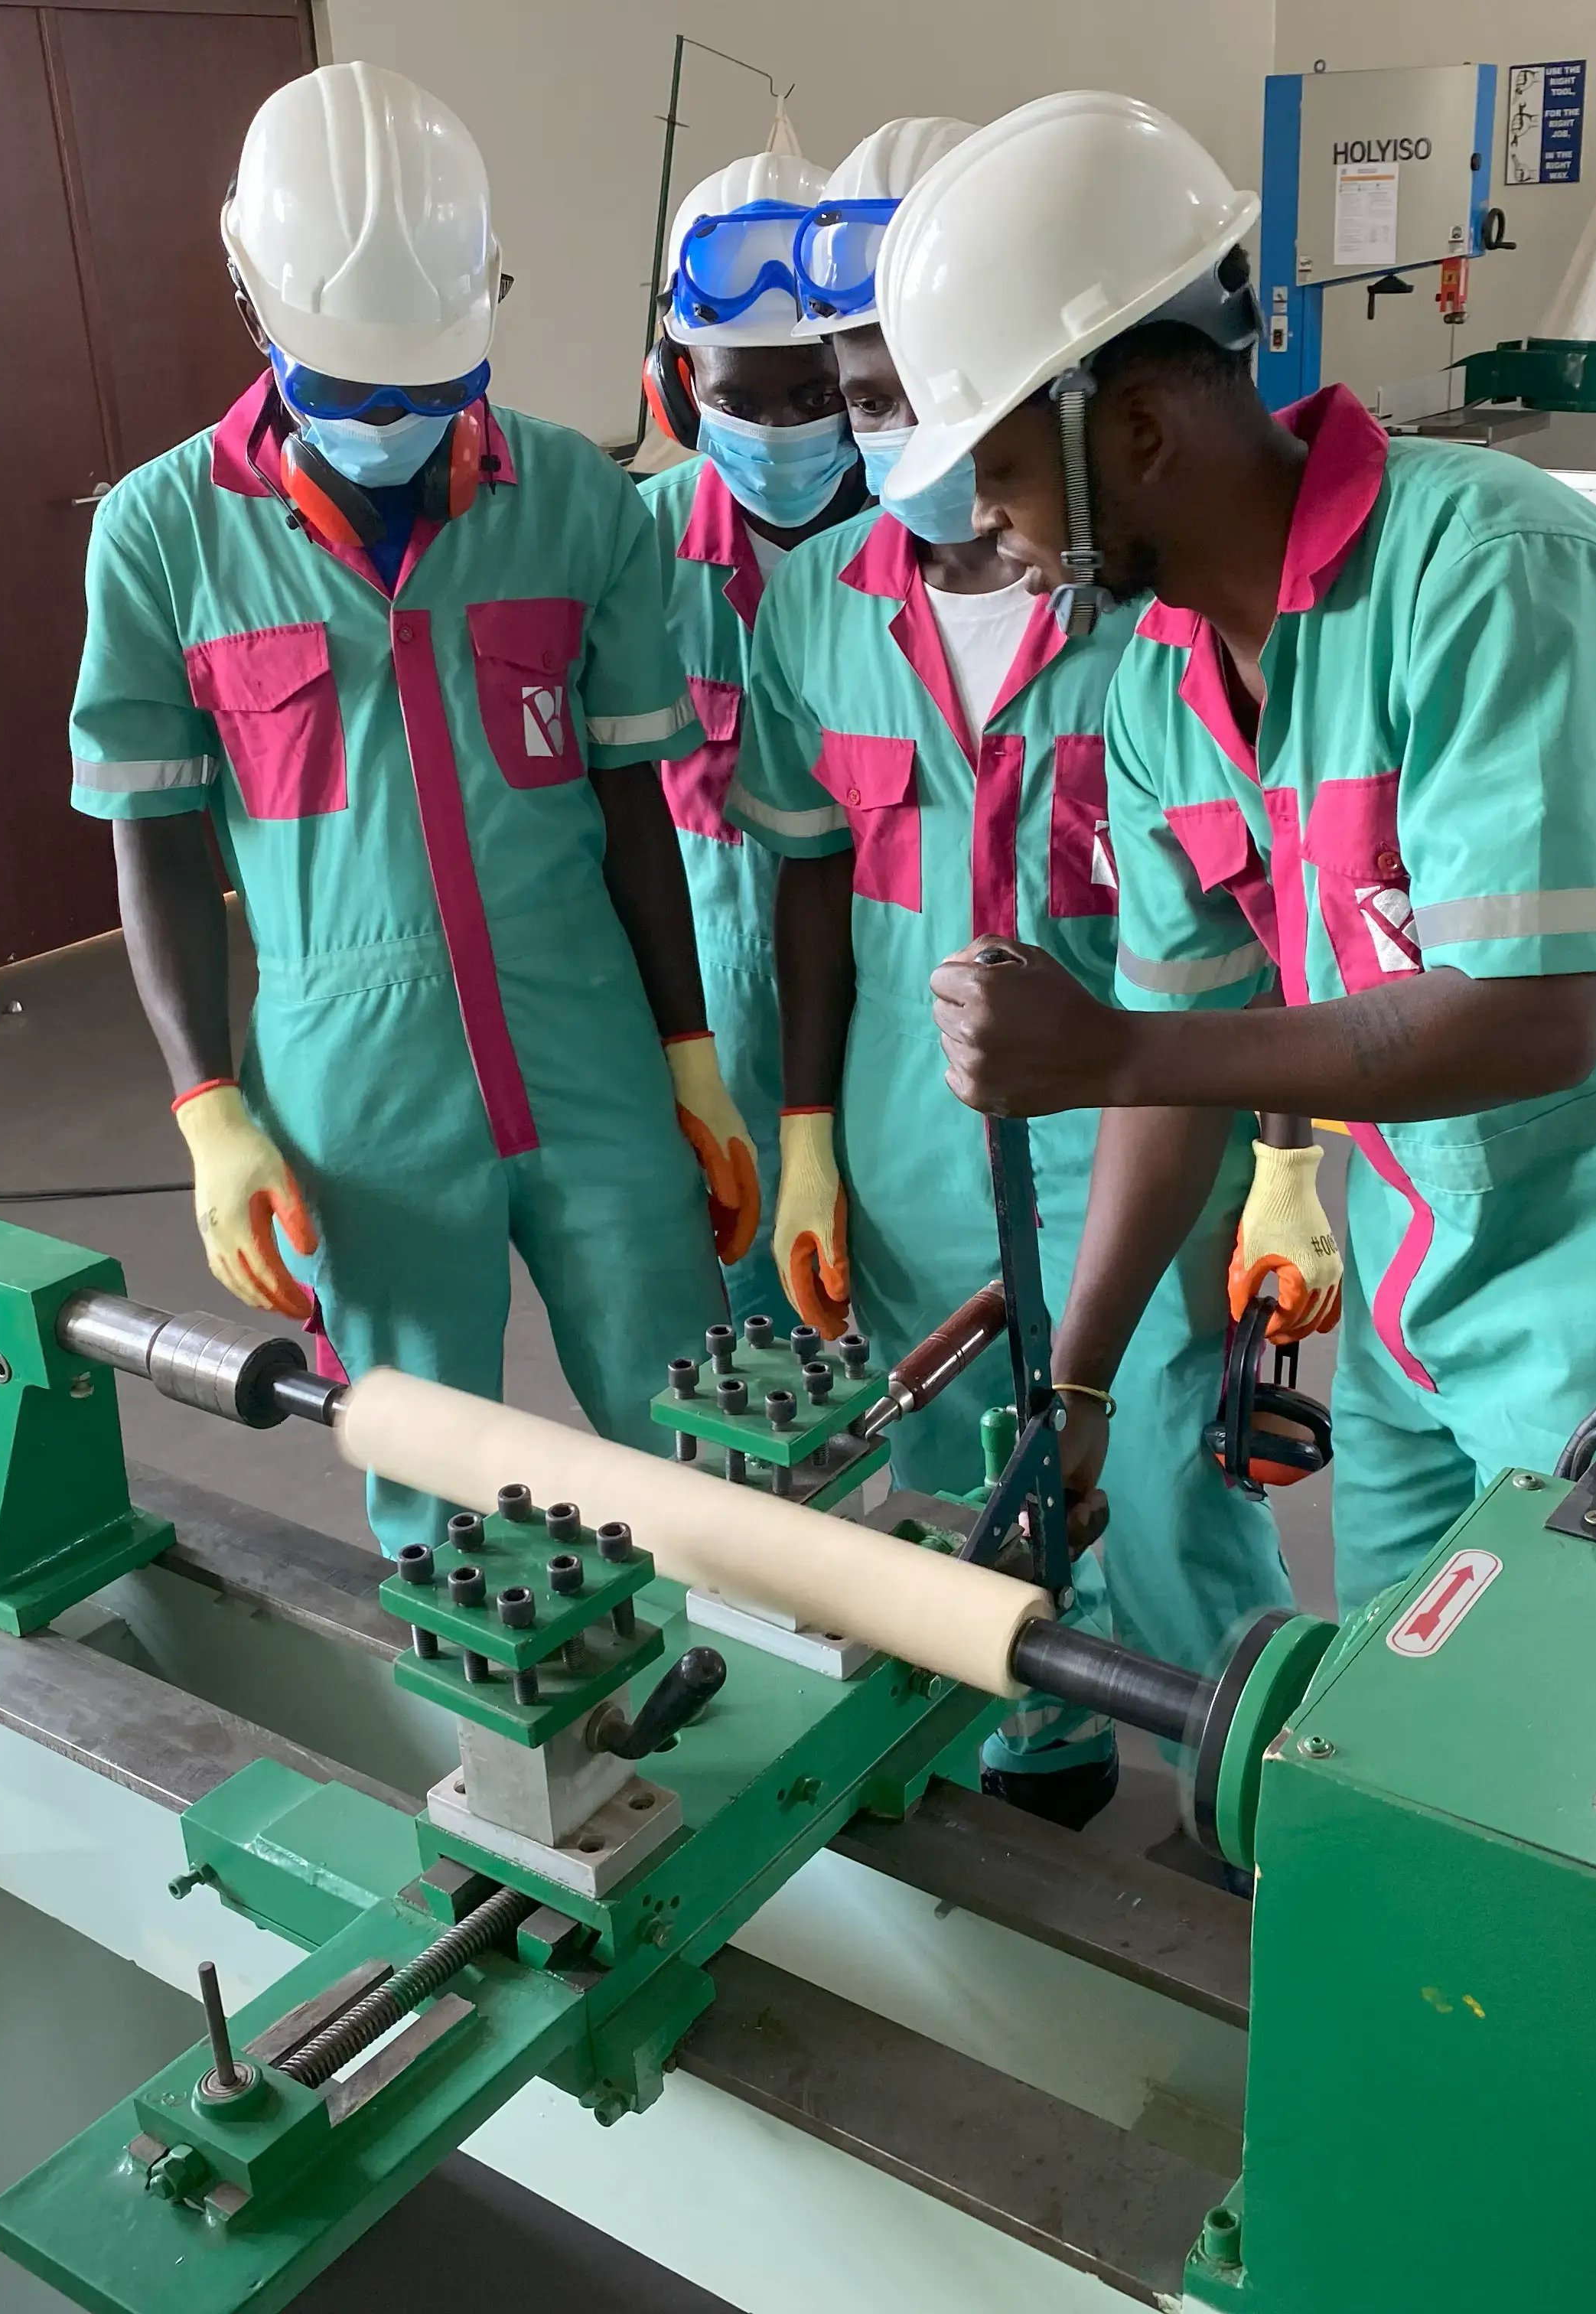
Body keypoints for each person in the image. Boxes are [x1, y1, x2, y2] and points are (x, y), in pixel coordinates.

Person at [880, 95, 1596, 1615]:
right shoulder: (1162, 686)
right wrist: (1077, 1379)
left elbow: (1534, 1019)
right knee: (1400, 1688)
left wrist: (1108, 1049)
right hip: (1415, 1263)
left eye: (995, 471)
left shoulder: (1494, 572)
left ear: (1133, 432)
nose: (986, 525)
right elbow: (1177, 1057)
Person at [68, 64, 753, 1553]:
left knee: (701, 1425)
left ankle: (761, 1673)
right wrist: (209, 1106)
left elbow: (634, 799)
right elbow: (157, 840)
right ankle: (502, 1699)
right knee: (432, 1471)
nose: (396, 424)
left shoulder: (575, 501)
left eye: (434, 394)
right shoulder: (162, 536)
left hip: (587, 1045)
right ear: (254, 305)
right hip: (356, 1087)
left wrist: (688, 1056)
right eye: (354, 392)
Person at [727, 116, 1292, 1830]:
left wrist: (1286, 1160)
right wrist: (808, 1131)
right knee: (953, 1472)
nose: (904, 430)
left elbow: (1263, 916)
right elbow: (810, 877)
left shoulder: (1152, 588)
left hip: (1139, 1126)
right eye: (864, 392)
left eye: (928, 388)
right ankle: (1031, 1751)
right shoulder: (817, 607)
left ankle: (1245, 1798)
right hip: (911, 1129)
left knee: (1174, 1480)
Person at [639, 143, 873, 1328]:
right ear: (680, 388)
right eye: (740, 399)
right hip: (714, 1027)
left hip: (898, 1019)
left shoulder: (934, 554)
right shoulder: (633, 557)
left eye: (815, 396)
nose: (781, 432)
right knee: (743, 1356)